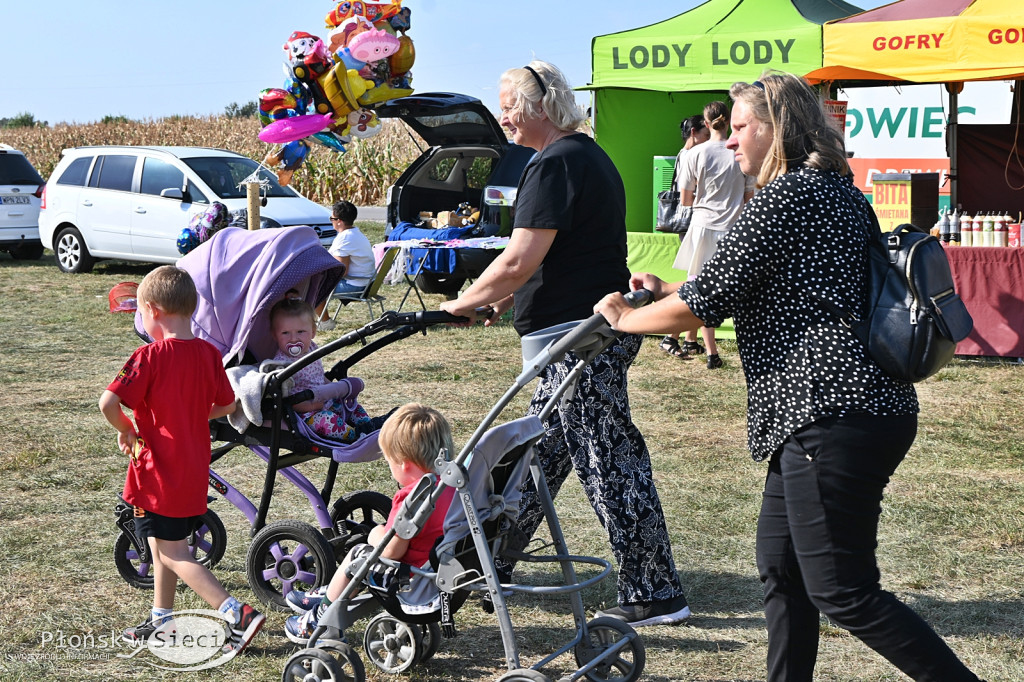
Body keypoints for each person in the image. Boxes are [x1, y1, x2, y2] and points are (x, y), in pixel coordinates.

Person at [595, 72, 982, 681]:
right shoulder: (839, 191)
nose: (730, 140)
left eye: (742, 127)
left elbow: (707, 303)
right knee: (782, 568)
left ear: (778, 130)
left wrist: (623, 317)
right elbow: (763, 285)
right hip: (849, 411)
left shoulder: (787, 197)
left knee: (842, 590)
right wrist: (666, 290)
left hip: (829, 415)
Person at [439, 60, 690, 627]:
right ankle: (489, 562)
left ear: (537, 106)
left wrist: (461, 301)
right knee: (535, 456)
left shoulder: (553, 164)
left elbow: (518, 259)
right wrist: (505, 298)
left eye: (508, 105)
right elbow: (561, 254)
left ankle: (656, 593)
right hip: (578, 332)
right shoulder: (585, 155)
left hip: (576, 342)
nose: (502, 115)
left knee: (610, 462)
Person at [99, 265, 265, 657]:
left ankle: (236, 613)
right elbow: (226, 404)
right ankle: (162, 620)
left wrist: (126, 428)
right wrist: (190, 413)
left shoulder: (148, 356)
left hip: (158, 472)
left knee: (174, 552)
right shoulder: (209, 354)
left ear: (152, 311)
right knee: (163, 548)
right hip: (192, 470)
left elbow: (107, 403)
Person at [283, 403, 457, 642]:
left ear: (404, 463)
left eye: (389, 462)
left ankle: (319, 619)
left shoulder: (411, 497)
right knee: (364, 556)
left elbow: (392, 551)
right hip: (439, 572)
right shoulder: (452, 487)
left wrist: (376, 533)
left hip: (410, 581)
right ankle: (331, 593)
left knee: (358, 555)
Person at [672, 100, 755, 369]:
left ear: (706, 124)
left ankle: (706, 350)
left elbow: (685, 199)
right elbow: (749, 196)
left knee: (698, 287)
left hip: (702, 228)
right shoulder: (739, 150)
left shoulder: (695, 154)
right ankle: (709, 348)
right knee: (741, 292)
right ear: (728, 120)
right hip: (733, 228)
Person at [270, 297, 374, 442]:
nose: (293, 339)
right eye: (285, 333)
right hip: (305, 413)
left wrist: (332, 387)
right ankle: (355, 436)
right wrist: (310, 405)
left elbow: (318, 375)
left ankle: (370, 426)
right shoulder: (280, 364)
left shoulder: (312, 348)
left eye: (301, 331)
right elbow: (286, 400)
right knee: (328, 421)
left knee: (353, 407)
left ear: (313, 332)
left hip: (326, 399)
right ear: (274, 335)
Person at [659, 113, 709, 359]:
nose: (709, 137)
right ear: (694, 133)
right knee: (695, 282)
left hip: (691, 223)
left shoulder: (684, 154)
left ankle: (689, 338)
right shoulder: (692, 155)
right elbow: (689, 191)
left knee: (696, 279)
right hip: (692, 222)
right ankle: (672, 336)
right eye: (705, 132)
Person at [317, 200, 376, 330]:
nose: (331, 221)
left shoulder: (345, 238)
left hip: (356, 286)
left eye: (331, 218)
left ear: (339, 221)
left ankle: (325, 323)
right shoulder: (356, 233)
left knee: (313, 287)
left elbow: (341, 271)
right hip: (367, 283)